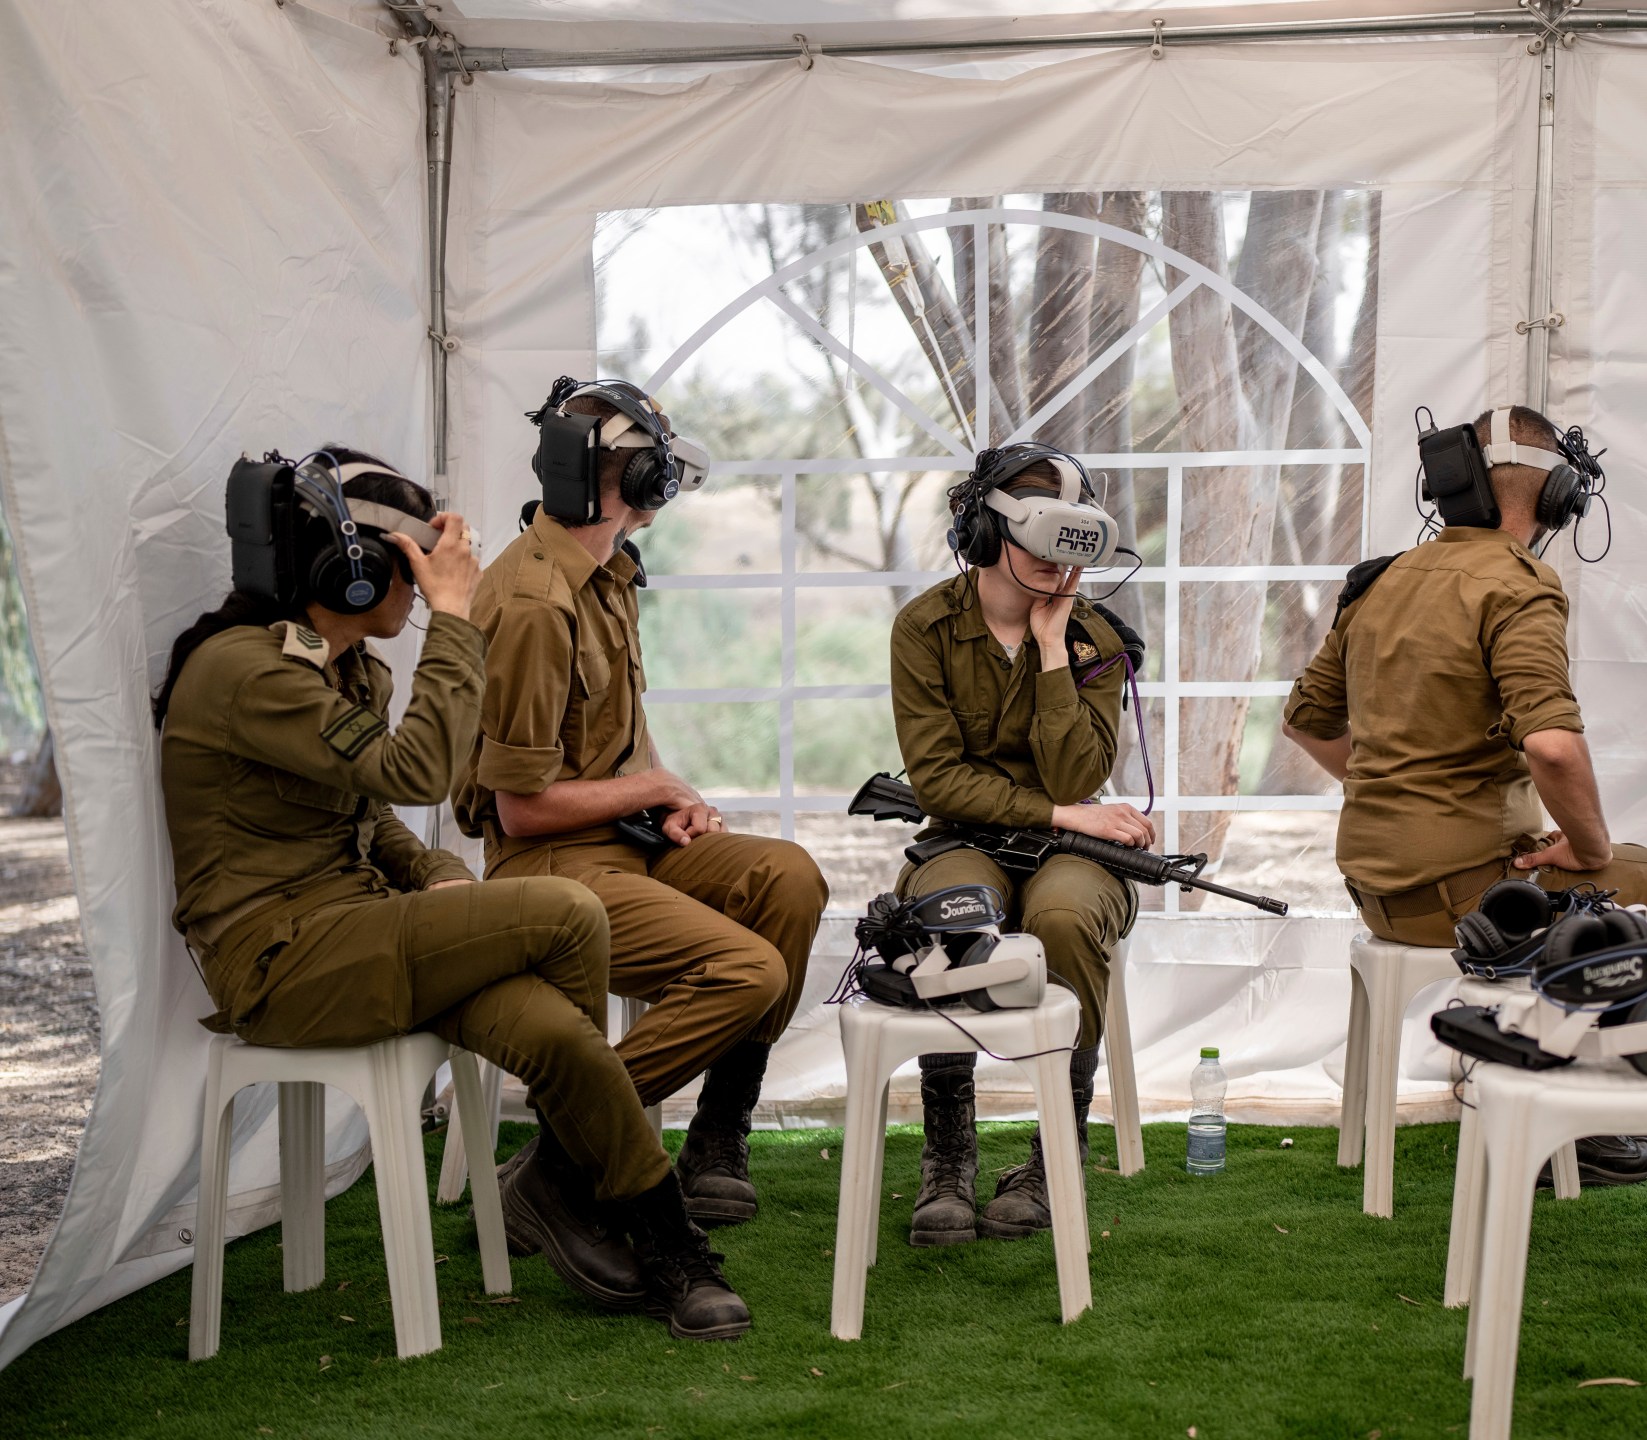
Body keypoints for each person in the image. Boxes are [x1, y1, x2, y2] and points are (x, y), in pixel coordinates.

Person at [157, 448, 746, 1340]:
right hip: (281, 963)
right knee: (568, 911)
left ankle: (639, 1230)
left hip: (360, 929)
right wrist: (457, 616)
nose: (439, 577)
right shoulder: (250, 670)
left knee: (555, 1035)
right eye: (422, 561)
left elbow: (363, 815)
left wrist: (433, 875)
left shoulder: (338, 662)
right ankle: (590, 1199)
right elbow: (418, 773)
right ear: (354, 569)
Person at [1281, 405, 1647, 1187]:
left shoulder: (1384, 579)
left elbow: (1305, 722)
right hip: (1469, 896)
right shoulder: (1520, 582)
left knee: (1601, 878)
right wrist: (1594, 850)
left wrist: (1389, 788)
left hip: (1375, 895)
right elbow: (1552, 745)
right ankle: (1590, 1115)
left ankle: (1541, 1068)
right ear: (1559, 494)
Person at [456, 379, 828, 1241]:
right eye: (659, 469)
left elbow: (621, 730)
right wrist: (653, 792)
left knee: (789, 879)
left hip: (624, 843)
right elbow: (518, 810)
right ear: (637, 481)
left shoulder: (607, 569)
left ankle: (716, 1141)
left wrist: (673, 798)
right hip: (549, 867)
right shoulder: (533, 602)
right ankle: (568, 1158)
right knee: (750, 972)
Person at [889, 443, 1143, 1246]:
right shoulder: (923, 627)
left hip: (1075, 859)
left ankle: (1052, 1150)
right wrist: (1065, 816)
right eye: (1037, 538)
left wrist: (1050, 651)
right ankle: (948, 1154)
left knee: (1065, 917)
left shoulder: (1095, 637)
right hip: (967, 838)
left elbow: (1079, 770)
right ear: (981, 530)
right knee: (952, 915)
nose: (1056, 564)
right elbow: (940, 785)